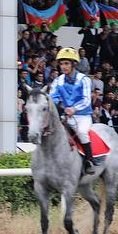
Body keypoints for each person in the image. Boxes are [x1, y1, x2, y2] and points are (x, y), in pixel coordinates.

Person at [48, 47, 95, 175]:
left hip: (82, 116)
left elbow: (86, 100)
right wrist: (60, 105)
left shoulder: (84, 79)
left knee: (81, 132)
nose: (63, 66)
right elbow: (52, 97)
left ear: (73, 64)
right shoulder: (58, 81)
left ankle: (89, 161)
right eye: (62, 63)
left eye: (67, 63)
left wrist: (73, 109)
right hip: (64, 116)